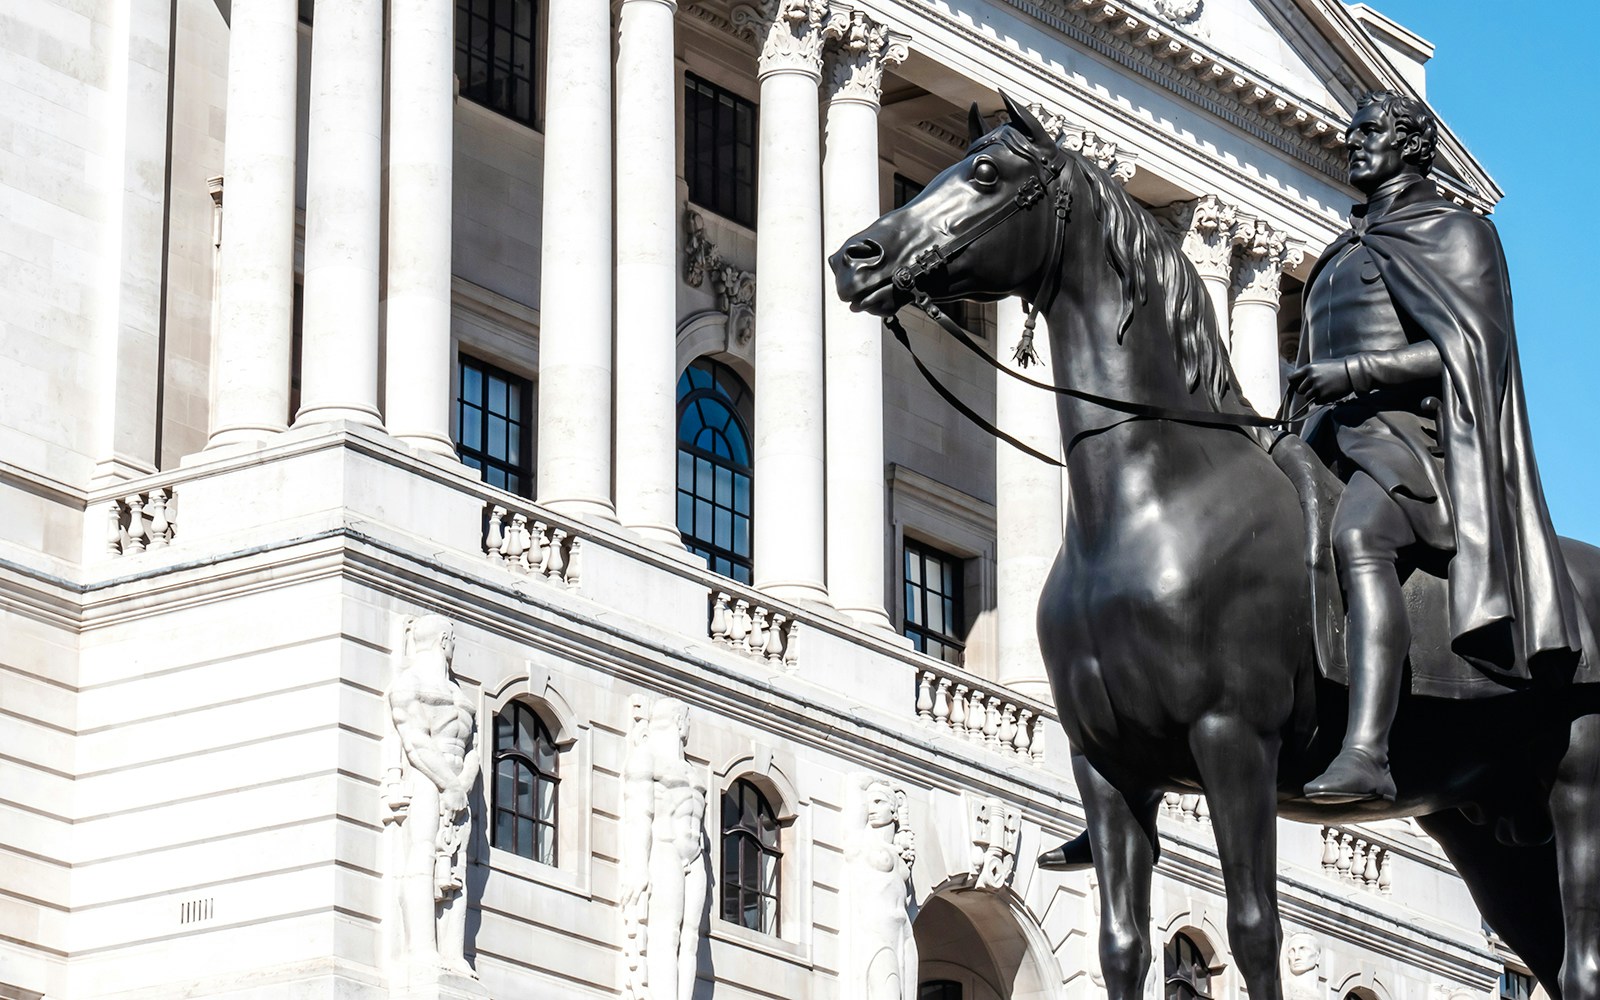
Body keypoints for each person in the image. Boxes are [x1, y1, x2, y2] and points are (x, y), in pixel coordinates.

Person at [1289, 90, 1582, 803]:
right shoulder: (1347, 244)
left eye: (1370, 132)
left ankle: (1368, 751)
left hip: (1418, 445)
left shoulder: (1453, 230)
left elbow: (1475, 350)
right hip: (1328, 438)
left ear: (1412, 143)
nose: (1352, 142)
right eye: (1351, 131)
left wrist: (1353, 373)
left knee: (1360, 536)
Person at [385, 614, 481, 978]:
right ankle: (422, 947)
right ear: (445, 640)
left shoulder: (459, 695)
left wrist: (465, 780)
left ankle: (454, 954)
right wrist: (450, 785)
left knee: (457, 868)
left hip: (459, 783)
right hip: (429, 779)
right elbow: (416, 743)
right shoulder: (410, 684)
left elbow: (473, 748)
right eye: (453, 639)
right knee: (422, 855)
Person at [619, 696, 707, 1000]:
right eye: (688, 721)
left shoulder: (692, 771)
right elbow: (639, 814)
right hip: (665, 847)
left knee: (690, 937)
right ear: (680, 722)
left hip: (695, 856)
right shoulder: (647, 757)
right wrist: (639, 866)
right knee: (666, 933)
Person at [841, 774, 918, 1000]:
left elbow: (908, 898)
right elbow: (855, 784)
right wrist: (878, 779)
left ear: (893, 811)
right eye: (870, 802)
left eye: (879, 802)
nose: (871, 809)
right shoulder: (861, 843)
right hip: (876, 930)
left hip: (903, 933)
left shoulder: (900, 852)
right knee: (887, 990)